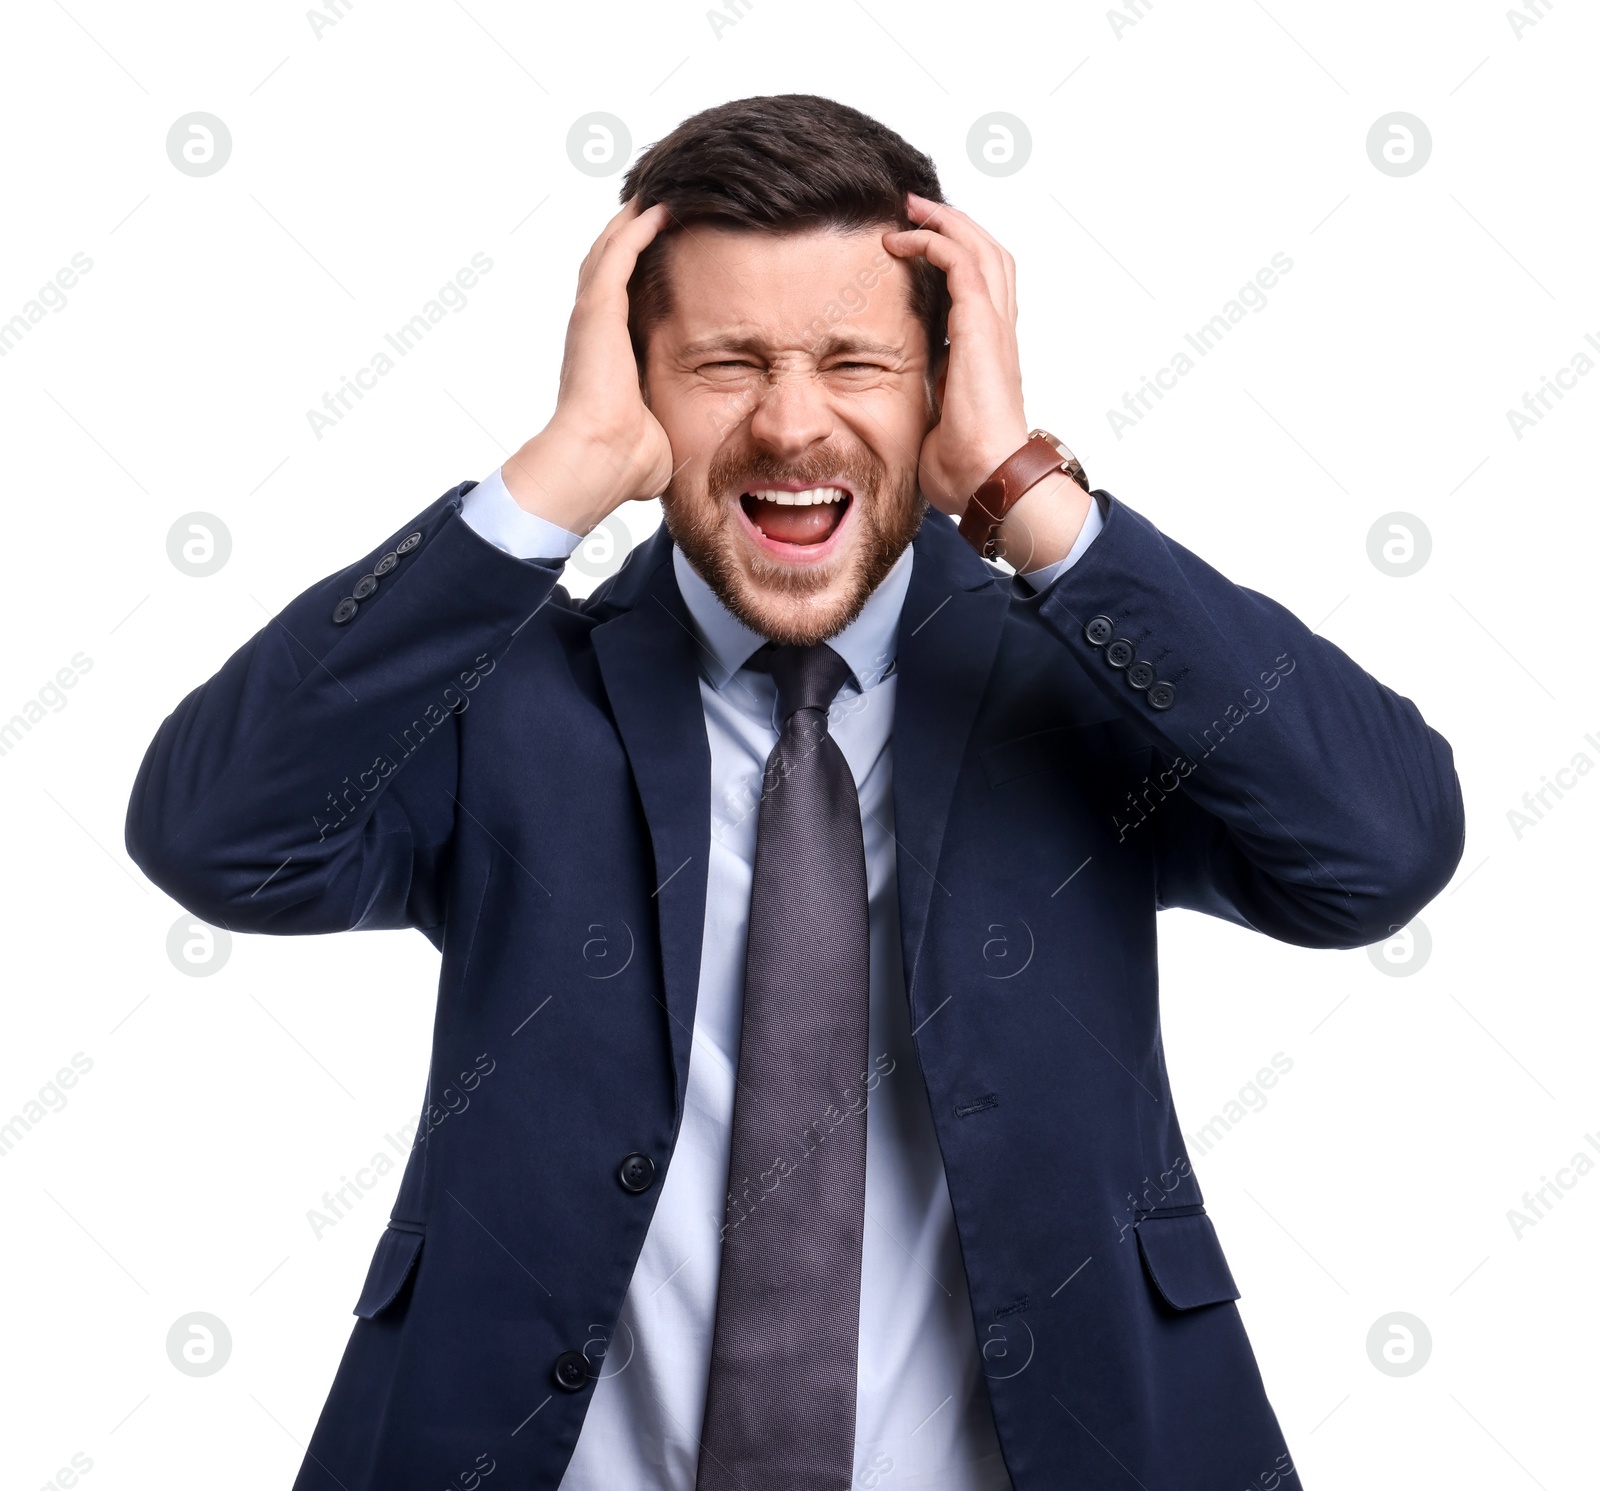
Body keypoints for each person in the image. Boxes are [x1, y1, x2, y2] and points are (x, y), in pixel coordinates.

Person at [125, 94, 1465, 1491]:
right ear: (636, 381)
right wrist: (553, 485)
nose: (790, 424)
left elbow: (1379, 851)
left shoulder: (1083, 683)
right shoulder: (503, 700)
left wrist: (1029, 493)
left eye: (854, 360)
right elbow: (216, 834)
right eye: (724, 363)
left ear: (940, 382)